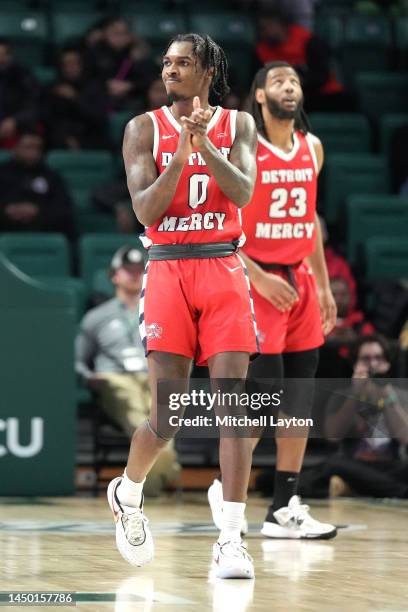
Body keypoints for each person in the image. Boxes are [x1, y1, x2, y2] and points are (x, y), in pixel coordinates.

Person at [106, 34, 258, 579]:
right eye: (166, 63)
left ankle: (232, 540)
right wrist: (183, 156)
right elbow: (146, 210)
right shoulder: (142, 128)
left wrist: (208, 147)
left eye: (182, 63)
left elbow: (241, 194)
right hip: (169, 267)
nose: (170, 70)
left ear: (209, 69)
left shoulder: (239, 124)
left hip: (222, 266)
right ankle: (128, 491)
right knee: (168, 415)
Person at [208, 61, 337, 540]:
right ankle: (226, 486)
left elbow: (310, 222)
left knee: (299, 401)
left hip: (300, 281)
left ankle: (283, 507)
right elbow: (219, 225)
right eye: (279, 81)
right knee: (264, 402)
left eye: (296, 81)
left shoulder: (313, 148)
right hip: (256, 281)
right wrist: (257, 276)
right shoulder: (246, 151)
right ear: (260, 96)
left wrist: (321, 285)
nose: (290, 86)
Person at [75, 246, 180, 496]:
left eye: (139, 270)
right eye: (127, 270)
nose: (134, 275)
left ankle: (136, 491)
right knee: (139, 420)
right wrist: (89, 377)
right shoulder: (96, 317)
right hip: (116, 378)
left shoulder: (161, 311)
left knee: (166, 421)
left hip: (152, 376)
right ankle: (155, 484)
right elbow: (78, 359)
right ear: (114, 276)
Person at [300, 335, 408, 499]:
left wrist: (388, 397)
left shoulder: (399, 396)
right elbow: (333, 436)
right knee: (333, 464)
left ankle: (354, 488)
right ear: (355, 364)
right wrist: (355, 395)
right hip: (354, 464)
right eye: (366, 359)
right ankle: (398, 492)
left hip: (390, 465)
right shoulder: (342, 395)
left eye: (378, 358)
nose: (373, 364)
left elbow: (406, 438)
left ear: (388, 364)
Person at [0, 130, 75, 238]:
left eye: (38, 148)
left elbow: (64, 208)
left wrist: (37, 211)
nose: (33, 153)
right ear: (15, 148)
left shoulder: (52, 176)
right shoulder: (2, 172)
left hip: (43, 232)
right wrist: (7, 210)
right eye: (28, 147)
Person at [43, 47, 110, 150]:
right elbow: (49, 120)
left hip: (90, 137)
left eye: (75, 63)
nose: (71, 68)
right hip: (60, 138)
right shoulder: (53, 89)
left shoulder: (95, 87)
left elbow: (99, 117)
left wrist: (75, 98)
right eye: (67, 64)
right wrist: (66, 138)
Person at [85, 17, 155, 112]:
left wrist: (130, 85)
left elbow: (149, 79)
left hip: (132, 98)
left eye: (124, 33)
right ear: (104, 34)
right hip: (101, 98)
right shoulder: (95, 52)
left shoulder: (138, 53)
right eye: (115, 33)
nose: (120, 37)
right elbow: (87, 77)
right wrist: (106, 84)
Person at [0, 39, 40, 149]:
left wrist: (15, 120)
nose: (0, 59)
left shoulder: (23, 76)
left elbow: (35, 105)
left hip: (18, 128)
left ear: (10, 56)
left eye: (3, 55)